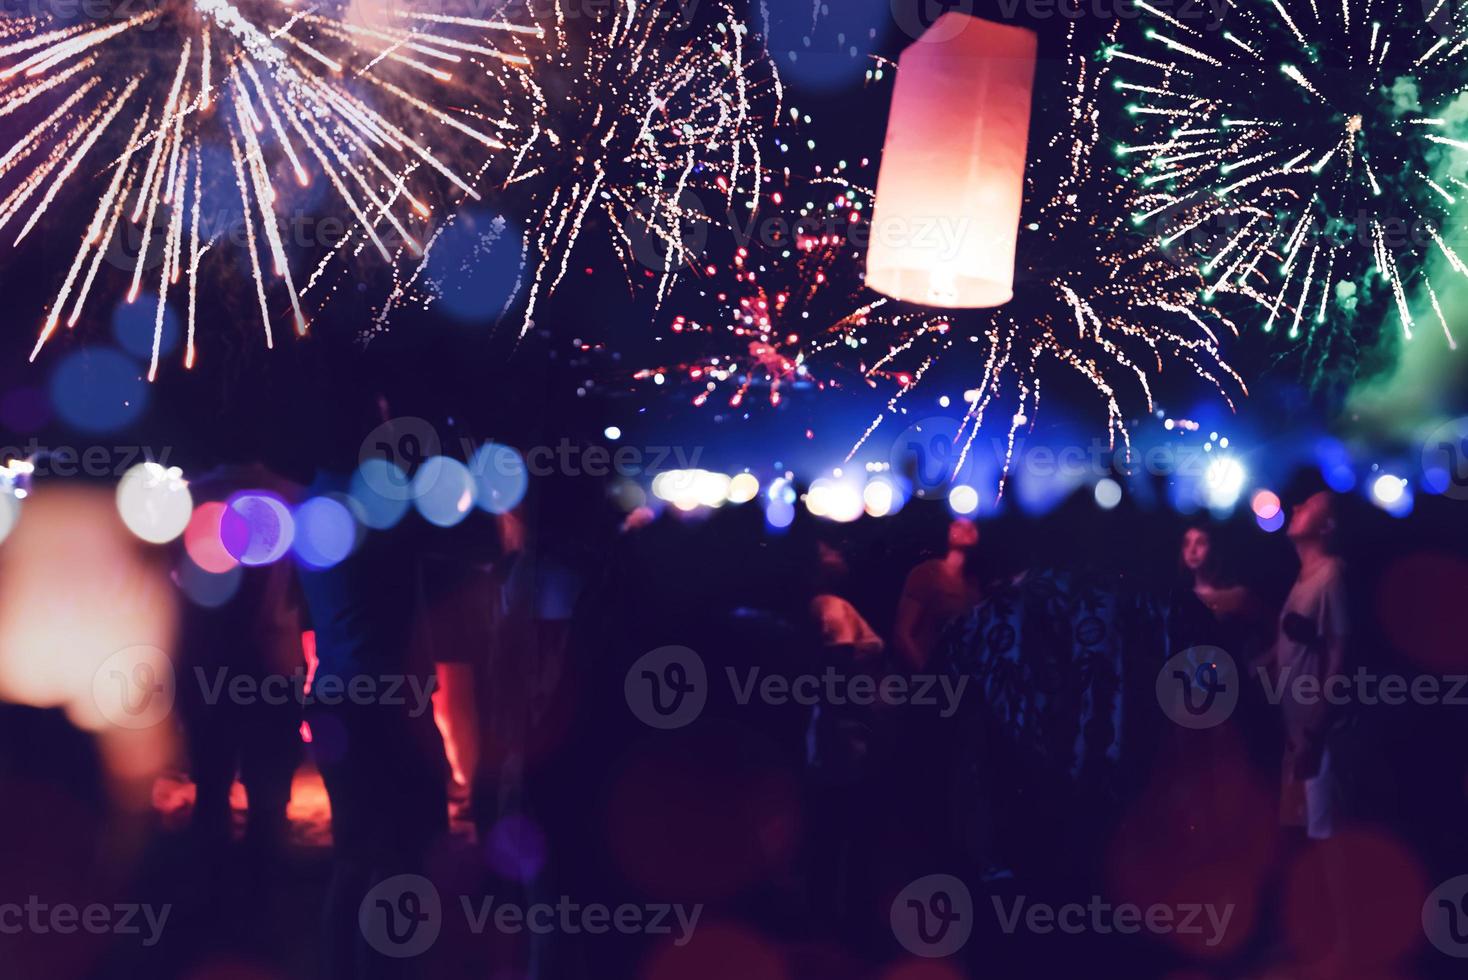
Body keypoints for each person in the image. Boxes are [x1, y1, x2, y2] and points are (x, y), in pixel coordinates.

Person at [175, 460, 304, 856]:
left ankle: (212, 898)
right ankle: (258, 898)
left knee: (212, 791)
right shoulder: (294, 493)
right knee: (268, 803)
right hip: (274, 660)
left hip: (212, 661)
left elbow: (177, 584)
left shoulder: (194, 495)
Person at [1265, 490, 1350, 841]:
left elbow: (1340, 653)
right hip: (1297, 736)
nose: (1296, 505)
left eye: (1309, 505)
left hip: (1318, 738)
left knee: (1323, 841)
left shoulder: (1331, 575)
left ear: (1327, 526)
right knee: (1300, 840)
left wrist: (1314, 732)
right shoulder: (1304, 577)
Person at [893, 518, 982, 670]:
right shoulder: (927, 573)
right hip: (927, 680)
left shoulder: (974, 586)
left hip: (957, 679)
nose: (967, 528)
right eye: (959, 524)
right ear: (948, 531)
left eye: (973, 525)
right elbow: (902, 633)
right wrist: (925, 674)